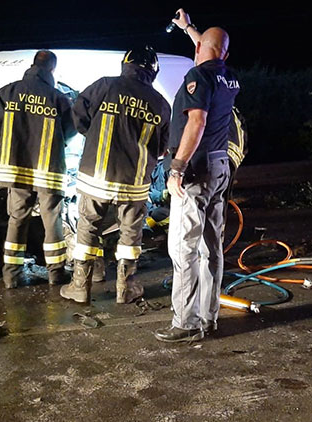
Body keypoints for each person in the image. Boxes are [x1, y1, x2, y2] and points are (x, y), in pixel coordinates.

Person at [155, 9, 241, 342]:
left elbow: (197, 122)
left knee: (183, 248)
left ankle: (185, 323)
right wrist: (189, 28)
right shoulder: (227, 77)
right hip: (220, 168)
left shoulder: (198, 78)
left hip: (196, 170)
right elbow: (210, 48)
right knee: (211, 247)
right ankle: (208, 318)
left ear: (200, 50)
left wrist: (177, 167)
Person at [61, 46, 171, 304]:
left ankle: (80, 286)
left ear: (126, 64)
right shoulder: (161, 104)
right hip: (134, 183)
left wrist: (95, 137)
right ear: (153, 71)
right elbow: (163, 149)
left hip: (95, 177)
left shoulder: (104, 86)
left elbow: (78, 117)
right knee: (130, 235)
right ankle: (126, 288)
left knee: (87, 228)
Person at [0, 50, 77, 288]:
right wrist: (58, 144)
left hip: (16, 168)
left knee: (17, 219)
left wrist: (7, 144)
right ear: (52, 70)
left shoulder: (8, 92)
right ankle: (56, 274)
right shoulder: (57, 97)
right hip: (49, 170)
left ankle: (11, 276)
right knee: (52, 220)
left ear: (32, 65)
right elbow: (70, 131)